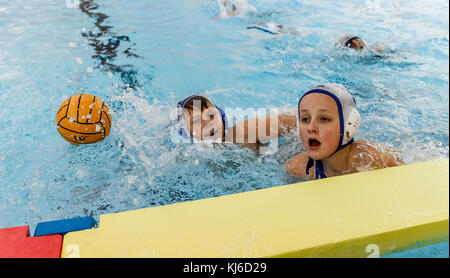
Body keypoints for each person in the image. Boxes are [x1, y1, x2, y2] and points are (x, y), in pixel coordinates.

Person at [285, 83, 403, 180]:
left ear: (349, 125)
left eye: (324, 119)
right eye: (305, 119)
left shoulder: (371, 157)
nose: (311, 127)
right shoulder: (298, 167)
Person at [171, 94, 297, 152]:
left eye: (211, 115)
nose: (207, 123)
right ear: (185, 133)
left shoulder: (241, 133)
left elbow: (288, 120)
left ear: (222, 118)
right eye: (196, 121)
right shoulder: (185, 156)